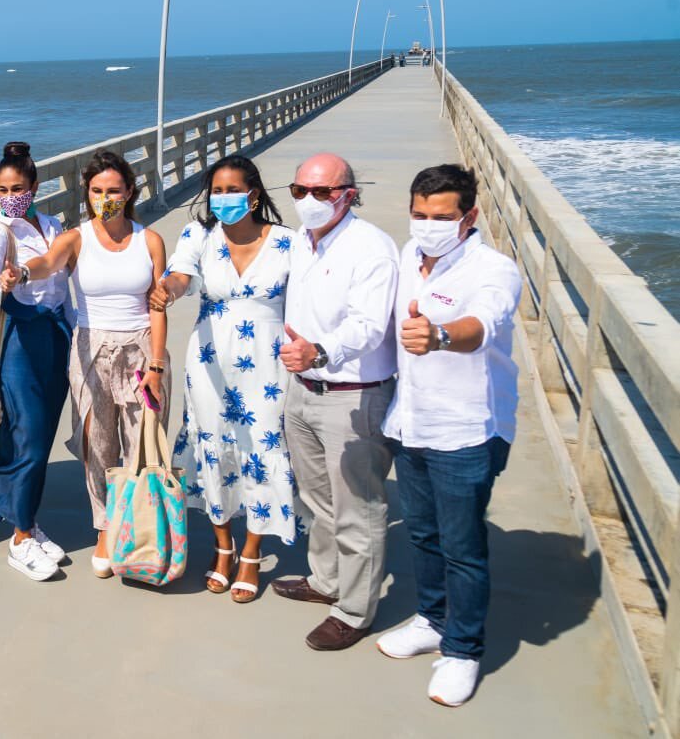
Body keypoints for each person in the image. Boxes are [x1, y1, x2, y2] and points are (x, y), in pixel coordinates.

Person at [375, 164, 522, 707]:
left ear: (470, 216)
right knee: (422, 533)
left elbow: (482, 324)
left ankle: (463, 650)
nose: (429, 225)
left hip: (466, 429)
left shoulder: (493, 269)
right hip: (409, 421)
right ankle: (432, 620)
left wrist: (438, 335)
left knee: (463, 546)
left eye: (442, 217)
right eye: (419, 214)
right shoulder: (405, 261)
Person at [2, 150, 168, 579]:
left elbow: (158, 306)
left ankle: (138, 529)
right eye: (96, 191)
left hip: (140, 349)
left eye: (113, 190)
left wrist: (156, 365)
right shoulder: (77, 238)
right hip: (91, 348)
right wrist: (21, 272)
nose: (105, 198)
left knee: (140, 444)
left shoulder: (149, 240)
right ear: (87, 193)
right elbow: (47, 263)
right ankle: (105, 528)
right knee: (97, 444)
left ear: (130, 191)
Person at [152, 155, 298, 601]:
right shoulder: (199, 235)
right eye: (217, 190)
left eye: (233, 190)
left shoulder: (289, 242)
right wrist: (169, 290)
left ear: (253, 194)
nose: (223, 198)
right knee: (212, 447)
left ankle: (252, 552)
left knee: (261, 448)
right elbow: (181, 274)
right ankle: (222, 547)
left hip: (268, 366)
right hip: (211, 362)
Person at [272, 152, 399, 651]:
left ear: (349, 192)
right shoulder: (303, 242)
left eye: (321, 191)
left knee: (358, 509)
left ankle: (355, 610)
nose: (308, 200)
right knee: (318, 499)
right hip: (302, 390)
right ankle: (326, 580)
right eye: (300, 190)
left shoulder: (371, 248)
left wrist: (319, 352)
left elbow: (369, 326)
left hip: (353, 397)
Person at [0, 141, 73, 582]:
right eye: (1, 189)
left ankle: (30, 521)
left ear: (35, 186)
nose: (8, 197)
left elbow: (65, 288)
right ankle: (20, 538)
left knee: (41, 436)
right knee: (27, 438)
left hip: (56, 337)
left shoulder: (52, 224)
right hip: (20, 341)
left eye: (16, 187)